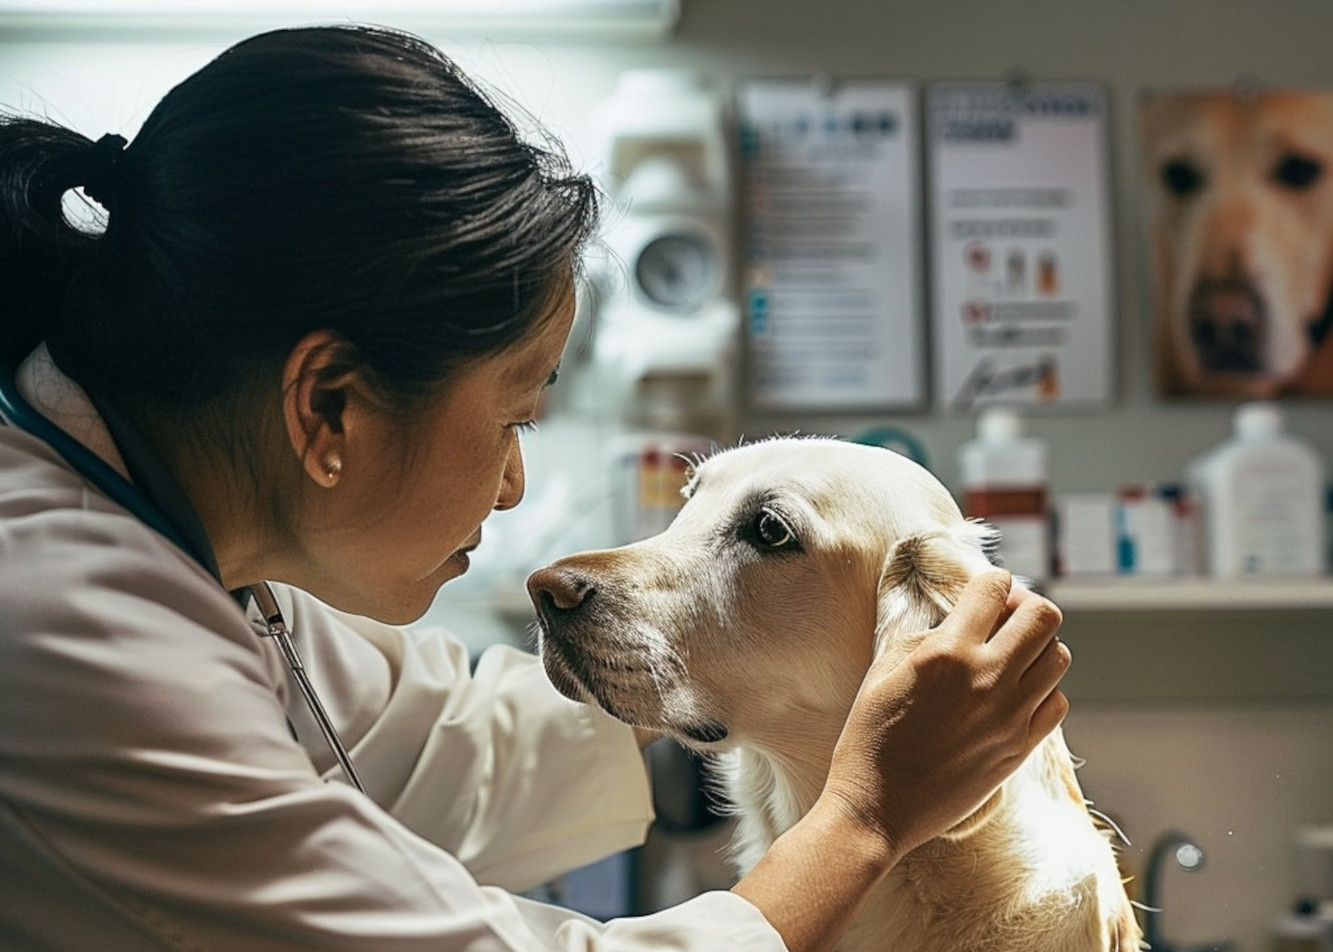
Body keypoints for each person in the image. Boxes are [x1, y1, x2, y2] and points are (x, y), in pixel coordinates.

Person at [0, 25, 1071, 952]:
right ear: (327, 407)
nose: (515, 487)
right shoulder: (64, 623)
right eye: (512, 418)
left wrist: (686, 660)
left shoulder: (191, 554)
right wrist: (866, 813)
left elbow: (456, 745)